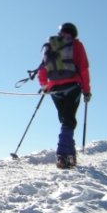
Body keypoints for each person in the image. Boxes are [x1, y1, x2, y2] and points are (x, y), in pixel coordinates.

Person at [38, 22, 91, 169]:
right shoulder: (76, 45)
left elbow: (42, 68)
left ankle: (70, 155)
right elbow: (84, 68)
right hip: (72, 87)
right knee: (69, 120)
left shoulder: (52, 45)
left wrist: (44, 85)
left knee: (65, 119)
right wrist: (86, 90)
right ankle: (62, 154)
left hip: (54, 89)